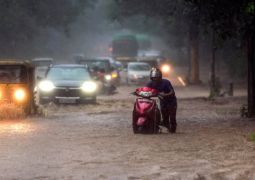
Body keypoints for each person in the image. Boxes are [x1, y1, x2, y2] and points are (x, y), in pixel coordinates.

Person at [146, 68, 177, 133]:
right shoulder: (150, 84)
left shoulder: (166, 82)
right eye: (153, 78)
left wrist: (165, 94)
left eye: (156, 78)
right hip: (163, 102)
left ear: (160, 77)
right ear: (151, 78)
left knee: (172, 117)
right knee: (165, 117)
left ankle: (173, 130)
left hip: (171, 101)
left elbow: (172, 92)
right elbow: (145, 90)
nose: (155, 79)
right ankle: (166, 126)